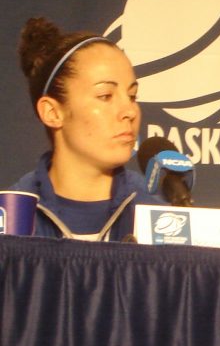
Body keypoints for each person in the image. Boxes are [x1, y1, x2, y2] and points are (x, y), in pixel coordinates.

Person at [9, 17, 163, 241]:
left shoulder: (158, 217)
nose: (129, 111)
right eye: (105, 96)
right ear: (52, 112)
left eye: (132, 96)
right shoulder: (13, 216)